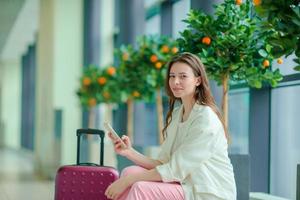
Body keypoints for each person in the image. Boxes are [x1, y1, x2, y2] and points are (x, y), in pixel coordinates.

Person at [105, 52, 236, 200]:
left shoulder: (205, 119)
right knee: (130, 172)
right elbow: (163, 163)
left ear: (198, 80)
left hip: (208, 192)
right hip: (184, 184)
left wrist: (127, 181)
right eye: (172, 76)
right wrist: (129, 152)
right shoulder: (177, 114)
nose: (175, 81)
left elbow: (174, 170)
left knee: (139, 187)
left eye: (183, 76)